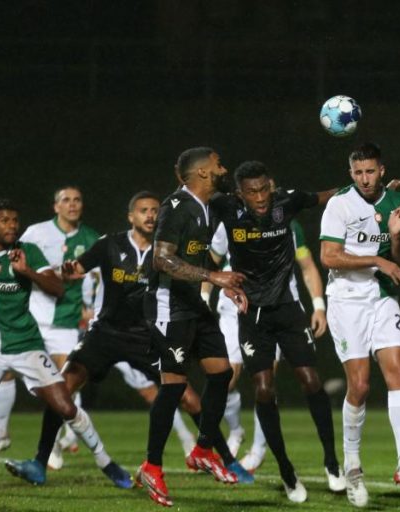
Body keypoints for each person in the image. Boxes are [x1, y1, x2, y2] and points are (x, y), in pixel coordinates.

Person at [4, 191, 253, 491]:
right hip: (105, 333)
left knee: (188, 398)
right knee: (63, 387)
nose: (150, 215)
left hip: (147, 336)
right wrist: (51, 272)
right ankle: (39, 463)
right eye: (143, 210)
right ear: (130, 216)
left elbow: (198, 276)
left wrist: (219, 285)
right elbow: (74, 271)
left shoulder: (171, 253)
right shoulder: (110, 245)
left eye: (154, 210)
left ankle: (227, 459)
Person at [0, 199, 129, 495]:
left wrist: (27, 271)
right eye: (5, 220)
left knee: (66, 406)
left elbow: (57, 289)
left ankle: (107, 464)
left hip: (27, 346)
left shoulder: (27, 252)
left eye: (15, 220)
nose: (12, 226)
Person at [209, 161, 345, 503]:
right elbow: (199, 211)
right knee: (265, 388)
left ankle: (332, 462)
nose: (260, 198)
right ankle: (286, 470)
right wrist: (214, 283)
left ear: (272, 185)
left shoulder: (287, 203)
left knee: (312, 381)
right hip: (251, 315)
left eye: (264, 189)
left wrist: (373, 190)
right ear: (239, 193)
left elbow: (327, 196)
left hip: (287, 310)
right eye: (251, 192)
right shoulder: (226, 208)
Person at [320, 142, 400, 508]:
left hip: (381, 297)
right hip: (347, 299)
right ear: (351, 174)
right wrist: (378, 262)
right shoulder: (340, 204)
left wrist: (397, 237)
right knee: (362, 386)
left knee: (398, 372)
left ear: (382, 170)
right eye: (358, 173)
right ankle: (352, 467)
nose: (365, 179)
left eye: (371, 171)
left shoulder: (398, 202)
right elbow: (328, 256)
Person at [137, 147, 248, 507]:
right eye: (218, 163)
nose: (223, 167)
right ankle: (151, 466)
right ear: (202, 173)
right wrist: (213, 276)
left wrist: (223, 285)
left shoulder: (206, 206)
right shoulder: (176, 207)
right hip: (169, 307)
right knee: (174, 387)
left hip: (193, 307)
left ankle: (202, 449)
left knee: (220, 372)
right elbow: (161, 258)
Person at [0, 186, 100, 465]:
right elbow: (11, 260)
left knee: (61, 385)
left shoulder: (92, 238)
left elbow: (96, 278)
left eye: (77, 200)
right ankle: (1, 433)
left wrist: (91, 307)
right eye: (66, 200)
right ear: (55, 206)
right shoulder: (36, 233)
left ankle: (56, 443)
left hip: (65, 320)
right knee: (5, 371)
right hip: (32, 316)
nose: (72, 205)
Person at [206, 216, 330, 473]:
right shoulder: (228, 223)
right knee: (225, 377)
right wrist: (203, 296)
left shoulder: (289, 224)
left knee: (266, 380)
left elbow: (306, 265)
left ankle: (258, 450)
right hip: (231, 308)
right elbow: (210, 263)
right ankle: (236, 430)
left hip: (271, 309)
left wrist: (318, 305)